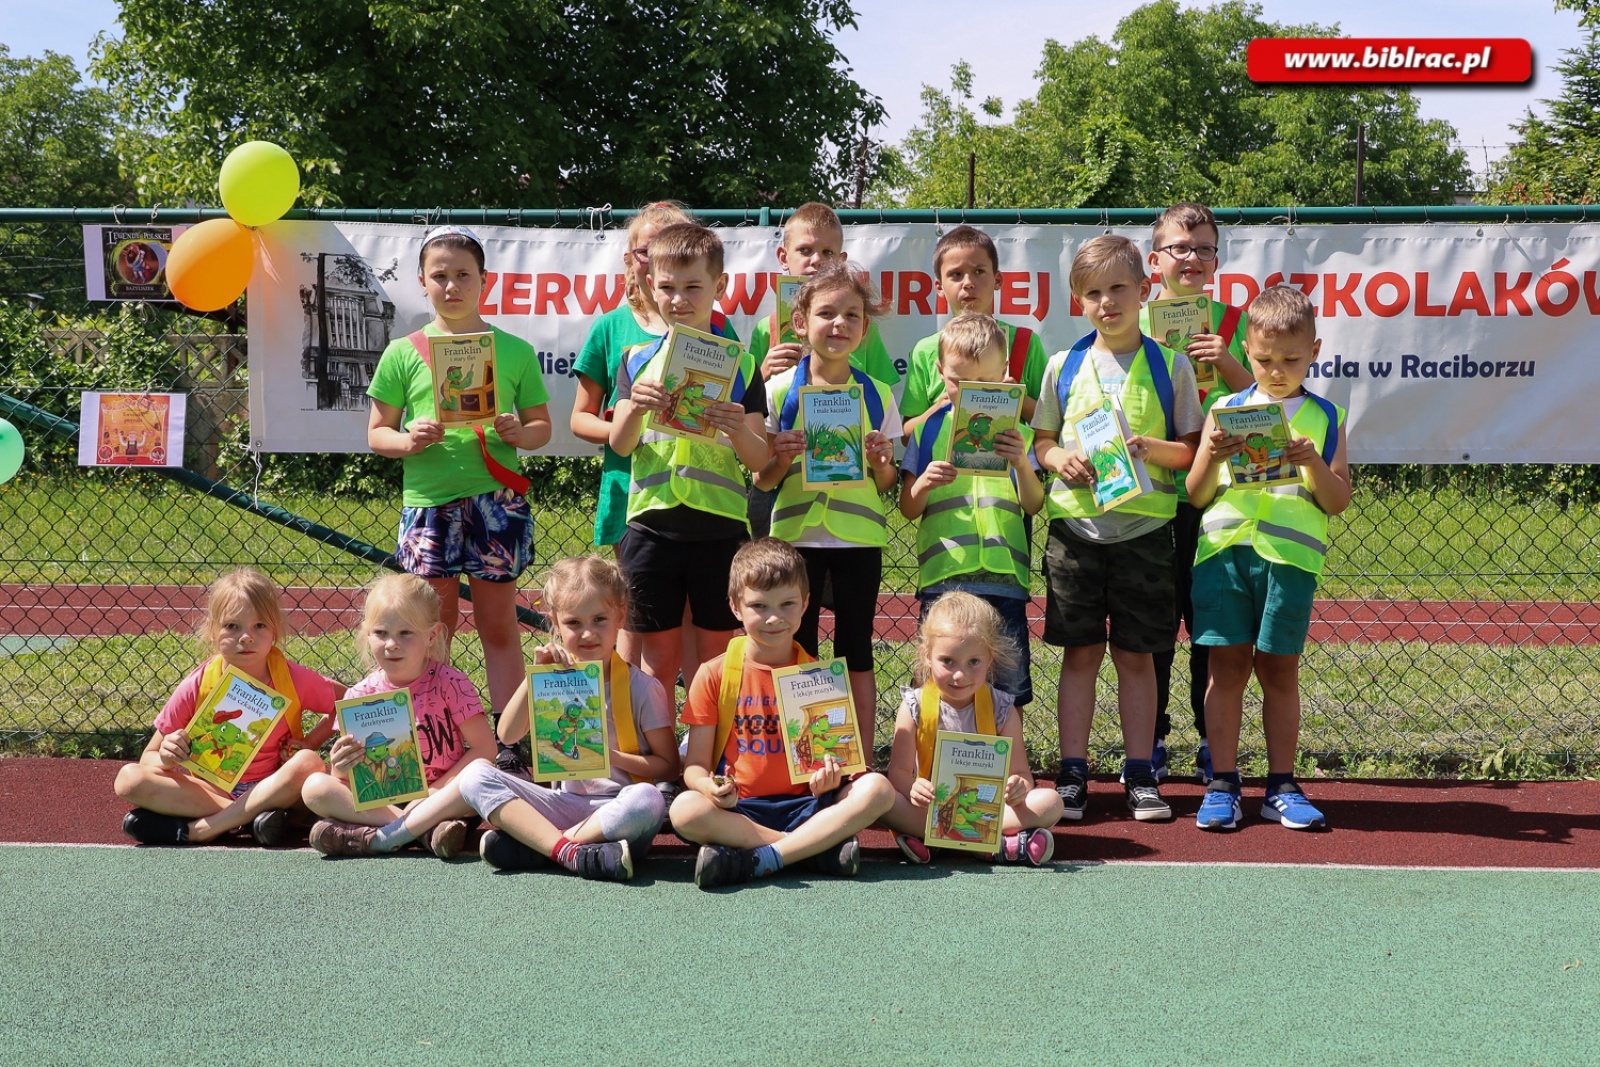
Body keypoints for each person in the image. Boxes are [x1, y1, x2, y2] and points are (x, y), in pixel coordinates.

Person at [1031, 235, 1202, 823]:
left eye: (1118, 288)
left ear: (1144, 290)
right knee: (1080, 655)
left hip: (1146, 532)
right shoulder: (1064, 363)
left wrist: (1150, 449)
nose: (1107, 302)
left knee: (1137, 658)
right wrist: (1058, 461)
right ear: (1079, 301)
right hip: (1075, 532)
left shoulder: (1170, 364)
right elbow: (1042, 440)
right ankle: (1073, 773)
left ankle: (1140, 775)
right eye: (1093, 293)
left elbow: (1190, 451)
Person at [366, 225, 552, 717]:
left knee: (498, 626)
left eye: (463, 275)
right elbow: (377, 434)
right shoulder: (402, 352)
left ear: (484, 281)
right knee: (432, 630)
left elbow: (541, 427)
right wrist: (407, 439)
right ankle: (431, 733)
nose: (452, 286)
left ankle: (510, 739)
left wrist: (518, 432)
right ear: (422, 282)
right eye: (440, 276)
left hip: (496, 502)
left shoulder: (513, 350)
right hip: (429, 505)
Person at [1186, 286, 1350, 831]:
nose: (1276, 370)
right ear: (1246, 349)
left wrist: (1311, 463)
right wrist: (1211, 453)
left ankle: (1282, 784)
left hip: (1289, 562)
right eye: (1262, 359)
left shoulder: (1326, 416)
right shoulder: (1224, 409)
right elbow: (1196, 493)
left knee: (1279, 671)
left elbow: (1337, 500)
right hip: (1225, 554)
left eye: (1291, 360)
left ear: (1315, 351)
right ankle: (1222, 784)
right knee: (1225, 668)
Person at [668, 538, 895, 889]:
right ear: (735, 607)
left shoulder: (822, 678)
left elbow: (835, 762)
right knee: (685, 809)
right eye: (759, 605)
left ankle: (762, 857)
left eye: (787, 603)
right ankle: (811, 849)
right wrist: (709, 788)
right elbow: (695, 766)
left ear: (806, 603)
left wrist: (829, 778)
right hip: (740, 809)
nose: (774, 617)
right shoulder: (714, 674)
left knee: (877, 789)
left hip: (807, 805)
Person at [609, 222, 770, 696]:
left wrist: (737, 425)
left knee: (717, 656)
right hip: (650, 524)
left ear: (719, 287)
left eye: (692, 286)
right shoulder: (634, 360)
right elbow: (620, 445)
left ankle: (710, 754)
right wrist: (635, 407)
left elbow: (760, 460)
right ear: (647, 287)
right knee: (658, 658)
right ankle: (663, 756)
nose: (678, 298)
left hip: (718, 526)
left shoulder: (742, 363)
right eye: (667, 287)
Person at [453, 556, 677, 881]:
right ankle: (570, 852)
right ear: (555, 624)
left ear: (620, 617)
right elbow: (509, 733)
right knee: (475, 776)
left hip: (617, 812)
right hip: (562, 803)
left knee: (648, 799)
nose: (587, 633)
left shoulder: (642, 688)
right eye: (573, 623)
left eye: (599, 619)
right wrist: (535, 678)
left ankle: (540, 845)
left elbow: (668, 766)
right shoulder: (551, 682)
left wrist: (608, 756)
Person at [754, 262, 899, 757]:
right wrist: (781, 457)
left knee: (856, 648)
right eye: (826, 313)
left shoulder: (878, 396)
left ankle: (857, 755)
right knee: (804, 651)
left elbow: (888, 482)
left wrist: (882, 461)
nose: (839, 324)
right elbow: (762, 478)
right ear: (801, 323)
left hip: (859, 540)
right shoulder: (777, 392)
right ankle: (811, 754)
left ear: (864, 326)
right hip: (796, 539)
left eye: (852, 316)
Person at [1144, 202, 1253, 784]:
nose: (1192, 257)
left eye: (1204, 248)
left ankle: (1214, 743)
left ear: (1216, 260)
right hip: (1154, 496)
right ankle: (1154, 738)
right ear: (1155, 259)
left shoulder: (1235, 322)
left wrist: (1228, 363)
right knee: (1158, 625)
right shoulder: (1130, 323)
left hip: (1221, 500)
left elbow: (1273, 399)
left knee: (1210, 625)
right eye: (1180, 248)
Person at [115, 567, 343, 846]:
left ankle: (200, 830)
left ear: (275, 631)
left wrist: (309, 741)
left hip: (275, 787)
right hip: (211, 791)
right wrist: (166, 756)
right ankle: (255, 820)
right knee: (128, 780)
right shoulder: (198, 684)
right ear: (212, 631)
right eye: (232, 626)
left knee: (309, 763)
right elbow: (148, 758)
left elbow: (346, 701)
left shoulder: (293, 678)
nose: (245, 637)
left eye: (259, 626)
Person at [900, 313, 1042, 708]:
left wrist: (1021, 464)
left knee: (1006, 691)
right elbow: (908, 508)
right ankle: (931, 761)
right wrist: (925, 482)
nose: (968, 393)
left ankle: (1009, 765)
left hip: (1004, 577)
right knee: (939, 685)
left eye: (982, 384)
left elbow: (1034, 503)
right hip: (945, 575)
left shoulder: (1021, 434)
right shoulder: (928, 430)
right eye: (958, 382)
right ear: (941, 371)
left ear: (1004, 375)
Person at [301, 573, 495, 858]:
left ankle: (375, 835)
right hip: (383, 802)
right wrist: (340, 764)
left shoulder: (450, 682)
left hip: (443, 795)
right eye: (381, 633)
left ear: (432, 635)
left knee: (482, 780)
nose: (391, 644)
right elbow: (344, 778)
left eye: (405, 633)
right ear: (367, 634)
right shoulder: (359, 696)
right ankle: (420, 830)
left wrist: (434, 793)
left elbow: (485, 749)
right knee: (315, 787)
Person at [746, 202, 899, 538]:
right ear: (784, 257)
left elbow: (881, 391)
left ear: (840, 260)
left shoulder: (862, 337)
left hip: (853, 514)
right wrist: (764, 373)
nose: (816, 260)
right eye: (805, 250)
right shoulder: (765, 328)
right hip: (786, 500)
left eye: (827, 251)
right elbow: (749, 401)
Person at [879, 591, 1062, 865]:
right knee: (879, 795)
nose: (960, 675)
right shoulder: (913, 705)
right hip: (931, 810)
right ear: (927, 655)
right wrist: (914, 787)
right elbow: (898, 773)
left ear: (990, 658)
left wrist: (1018, 787)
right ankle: (996, 845)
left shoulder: (1002, 708)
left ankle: (938, 840)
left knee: (1050, 802)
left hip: (985, 810)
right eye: (947, 661)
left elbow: (1022, 774)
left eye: (973, 662)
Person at [898, 224, 1049, 440]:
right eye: (956, 274)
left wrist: (1016, 398)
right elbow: (906, 436)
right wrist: (940, 408)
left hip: (1009, 471)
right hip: (945, 471)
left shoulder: (1025, 343)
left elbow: (1050, 424)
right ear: (939, 286)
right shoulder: (925, 350)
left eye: (979, 272)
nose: (968, 283)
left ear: (997, 280)